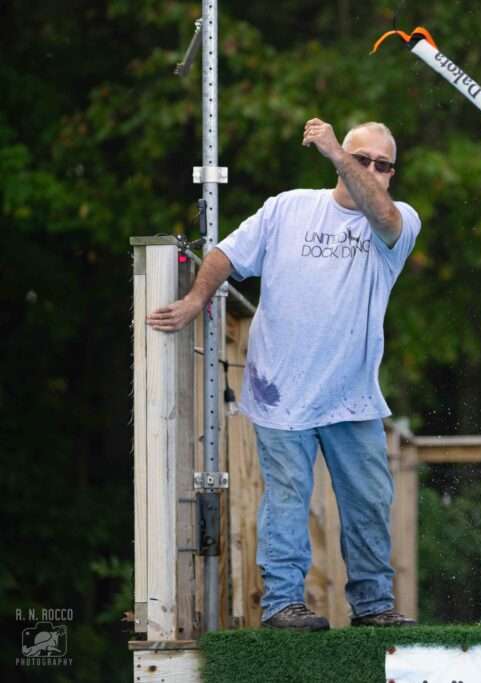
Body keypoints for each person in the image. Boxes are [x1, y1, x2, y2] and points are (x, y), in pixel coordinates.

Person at [146, 118, 420, 630]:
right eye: (362, 159)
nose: (372, 171)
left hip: (353, 397)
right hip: (279, 391)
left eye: (383, 165)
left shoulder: (398, 221)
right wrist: (195, 300)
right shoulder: (287, 208)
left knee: (368, 501)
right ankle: (281, 604)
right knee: (287, 501)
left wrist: (338, 152)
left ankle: (373, 605)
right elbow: (226, 254)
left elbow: (382, 214)